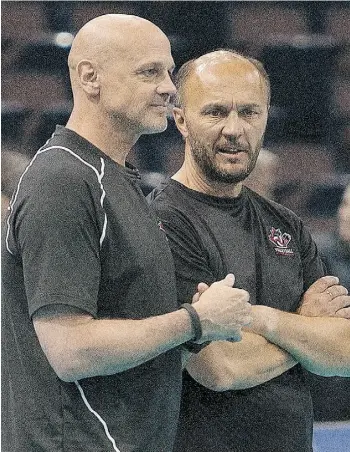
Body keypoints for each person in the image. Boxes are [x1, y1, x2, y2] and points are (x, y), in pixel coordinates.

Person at [2, 19, 253, 452]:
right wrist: (194, 321)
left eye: (169, 72)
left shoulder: (114, 179)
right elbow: (70, 349)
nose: (169, 88)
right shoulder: (63, 181)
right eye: (149, 72)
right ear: (89, 77)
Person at [148, 49, 350, 452]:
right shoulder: (163, 223)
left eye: (250, 113)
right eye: (216, 112)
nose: (234, 129)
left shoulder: (286, 225)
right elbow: (219, 367)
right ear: (181, 120)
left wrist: (263, 320)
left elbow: (342, 353)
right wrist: (304, 329)